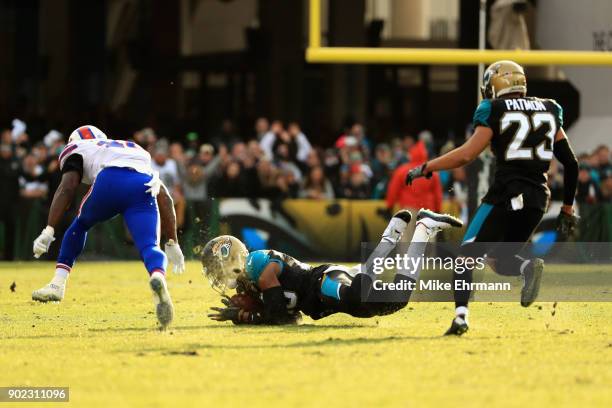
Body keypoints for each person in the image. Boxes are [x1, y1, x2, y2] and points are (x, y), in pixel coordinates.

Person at [406, 60, 579, 335]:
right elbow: (571, 163)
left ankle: (460, 318)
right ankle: (526, 268)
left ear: (494, 85)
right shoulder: (549, 108)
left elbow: (466, 154)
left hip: (506, 194)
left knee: (464, 258)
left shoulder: (493, 109)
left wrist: (428, 167)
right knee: (500, 260)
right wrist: (567, 208)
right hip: (537, 199)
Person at [30, 125, 186, 329]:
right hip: (143, 185)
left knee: (81, 224)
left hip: (110, 182)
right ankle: (158, 276)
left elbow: (67, 187)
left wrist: (49, 229)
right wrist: (173, 242)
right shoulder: (132, 148)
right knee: (150, 246)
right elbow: (164, 196)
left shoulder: (80, 147)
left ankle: (57, 284)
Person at [203, 209, 462, 325]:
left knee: (362, 294)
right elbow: (292, 317)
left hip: (322, 281)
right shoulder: (248, 282)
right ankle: (423, 229)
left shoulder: (258, 264)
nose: (216, 274)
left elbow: (280, 316)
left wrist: (246, 316)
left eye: (216, 266)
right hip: (322, 299)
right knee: (396, 299)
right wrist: (250, 311)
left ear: (232, 258)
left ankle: (394, 237)